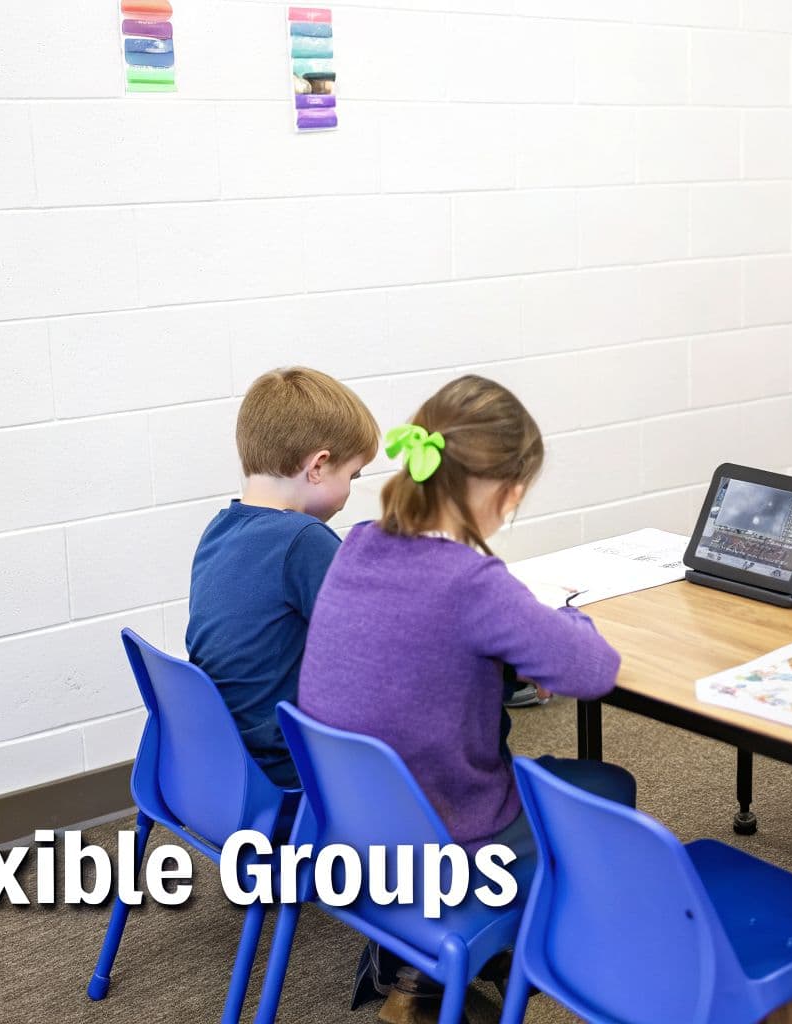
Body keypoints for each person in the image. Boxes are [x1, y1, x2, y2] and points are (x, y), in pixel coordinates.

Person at [297, 374, 634, 1000]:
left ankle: (432, 968)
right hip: (449, 846)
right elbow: (593, 670)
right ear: (507, 492)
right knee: (608, 788)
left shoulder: (358, 546)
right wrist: (565, 620)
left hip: (349, 834)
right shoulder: (473, 583)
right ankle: (517, 963)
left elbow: (420, 655)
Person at [186, 366, 378, 788]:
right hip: (281, 765)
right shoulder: (302, 538)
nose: (351, 491)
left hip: (214, 758)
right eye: (353, 476)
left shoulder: (221, 528)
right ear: (318, 467)